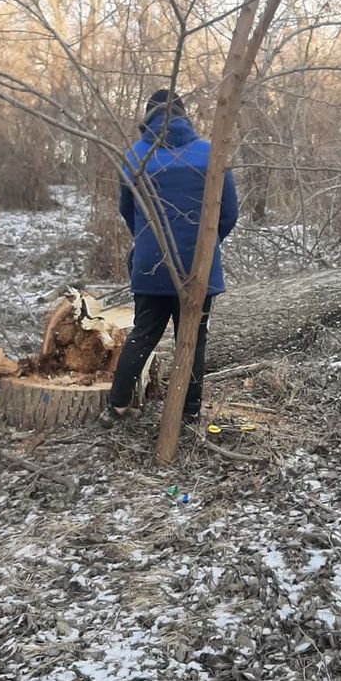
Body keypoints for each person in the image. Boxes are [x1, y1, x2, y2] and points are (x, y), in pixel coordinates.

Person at [99, 89, 238, 428]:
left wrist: (148, 243)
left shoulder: (136, 156)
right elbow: (230, 212)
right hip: (198, 267)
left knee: (144, 332)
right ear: (183, 115)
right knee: (192, 337)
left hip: (151, 265)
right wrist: (205, 246)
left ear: (148, 118)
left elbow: (127, 210)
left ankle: (115, 406)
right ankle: (188, 412)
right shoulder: (210, 153)